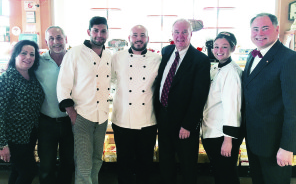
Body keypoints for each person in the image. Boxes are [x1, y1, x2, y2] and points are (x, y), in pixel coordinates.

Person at [243, 13, 296, 184]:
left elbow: (295, 108)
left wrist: (287, 147)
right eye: (255, 29)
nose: (259, 33)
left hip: (275, 144)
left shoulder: (290, 59)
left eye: (265, 28)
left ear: (276, 29)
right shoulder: (252, 55)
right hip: (254, 139)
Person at [153, 19, 210, 184]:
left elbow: (199, 95)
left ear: (191, 34)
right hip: (163, 119)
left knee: (187, 165)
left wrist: (188, 124)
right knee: (166, 162)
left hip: (184, 124)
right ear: (172, 35)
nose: (180, 36)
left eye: (184, 32)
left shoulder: (200, 60)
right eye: (177, 32)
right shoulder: (166, 51)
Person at [57, 16, 111, 184]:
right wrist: (72, 114)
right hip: (82, 115)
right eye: (95, 30)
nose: (99, 34)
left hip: (102, 116)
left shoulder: (109, 54)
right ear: (89, 32)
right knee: (83, 163)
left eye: (103, 31)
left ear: (107, 33)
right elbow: (63, 84)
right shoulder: (75, 52)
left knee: (97, 160)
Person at [111, 25, 161, 184]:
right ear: (129, 38)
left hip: (147, 121)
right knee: (123, 164)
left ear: (148, 38)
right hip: (122, 120)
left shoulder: (157, 59)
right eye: (135, 35)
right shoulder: (117, 57)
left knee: (145, 164)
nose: (138, 38)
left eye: (142, 35)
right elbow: (110, 81)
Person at [0, 40, 45, 184]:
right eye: (23, 53)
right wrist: (2, 144)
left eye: (32, 54)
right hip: (13, 137)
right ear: (15, 55)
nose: (28, 57)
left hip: (29, 134)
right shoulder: (7, 78)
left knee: (17, 170)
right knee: (29, 170)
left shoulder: (32, 78)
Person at [202, 32, 243, 184]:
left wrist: (228, 140)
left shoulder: (231, 72)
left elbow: (233, 108)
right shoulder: (217, 68)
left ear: (232, 48)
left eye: (224, 47)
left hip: (222, 135)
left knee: (227, 175)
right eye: (216, 46)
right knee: (220, 173)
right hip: (212, 131)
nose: (219, 50)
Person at [35, 26, 74, 184]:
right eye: (51, 38)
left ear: (66, 39)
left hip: (70, 121)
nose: (56, 42)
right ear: (46, 41)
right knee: (46, 164)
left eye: (59, 37)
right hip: (46, 122)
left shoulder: (74, 59)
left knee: (68, 163)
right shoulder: (38, 62)